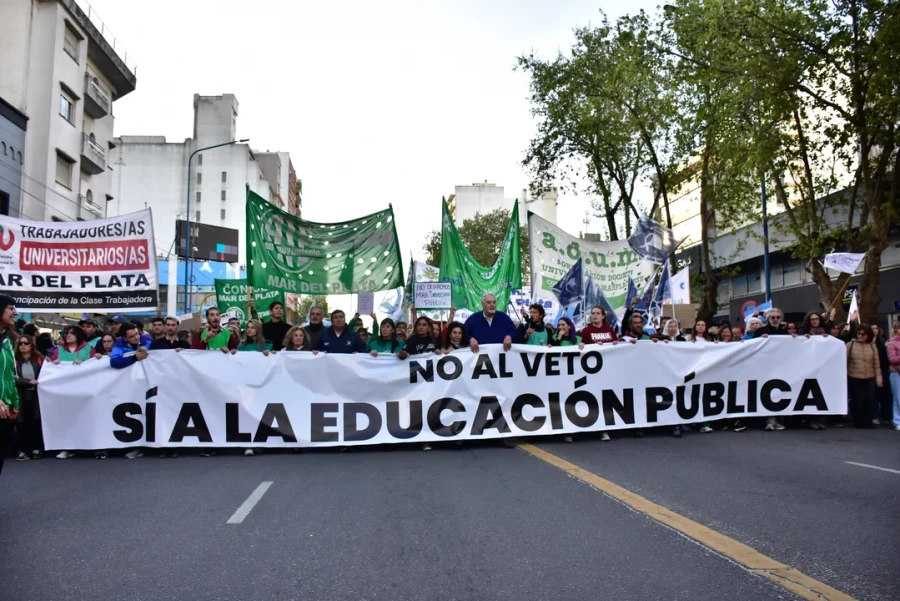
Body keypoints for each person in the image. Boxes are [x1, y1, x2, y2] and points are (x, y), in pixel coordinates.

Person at [398, 317, 440, 450]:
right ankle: (419, 437)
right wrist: (403, 355)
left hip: (432, 380)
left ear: (428, 327)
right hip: (416, 381)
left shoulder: (434, 340)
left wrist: (440, 352)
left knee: (431, 408)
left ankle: (428, 438)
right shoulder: (411, 340)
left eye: (424, 325)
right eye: (419, 325)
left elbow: (443, 353)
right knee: (418, 409)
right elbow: (402, 355)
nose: (421, 327)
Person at [110, 323, 150, 459]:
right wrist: (134, 357)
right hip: (130, 387)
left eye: (137, 334)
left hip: (147, 384)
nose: (137, 338)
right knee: (136, 414)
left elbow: (159, 352)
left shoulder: (147, 340)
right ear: (124, 338)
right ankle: (137, 446)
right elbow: (114, 362)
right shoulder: (119, 345)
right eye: (132, 336)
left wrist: (147, 349)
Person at [846, 324, 882, 429]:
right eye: (858, 334)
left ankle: (868, 421)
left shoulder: (872, 346)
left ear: (868, 335)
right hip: (854, 376)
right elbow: (844, 361)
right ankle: (857, 421)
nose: (860, 336)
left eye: (863, 334)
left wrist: (879, 379)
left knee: (869, 400)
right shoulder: (850, 345)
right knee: (857, 400)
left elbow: (876, 364)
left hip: (870, 377)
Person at [0, 295, 20, 478]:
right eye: (11, 308)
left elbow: (9, 375)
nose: (15, 312)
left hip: (4, 410)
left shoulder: (7, 340)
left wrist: (14, 400)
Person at [14, 334, 42, 460]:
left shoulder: (39, 359)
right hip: (20, 395)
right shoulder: (15, 360)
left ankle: (36, 448)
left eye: (26, 343)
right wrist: (28, 382)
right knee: (21, 423)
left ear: (32, 345)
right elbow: (13, 378)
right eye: (20, 343)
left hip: (36, 395)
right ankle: (23, 450)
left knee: (35, 422)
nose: (23, 346)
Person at [871, 324, 892, 425]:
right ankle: (874, 415)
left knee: (886, 393)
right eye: (873, 329)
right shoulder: (869, 342)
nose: (875, 330)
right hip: (872, 370)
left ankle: (887, 416)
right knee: (874, 394)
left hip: (884, 369)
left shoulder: (882, 341)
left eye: (876, 328)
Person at [887, 322, 900, 431]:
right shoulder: (892, 343)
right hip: (896, 372)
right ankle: (897, 421)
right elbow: (892, 360)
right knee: (898, 397)